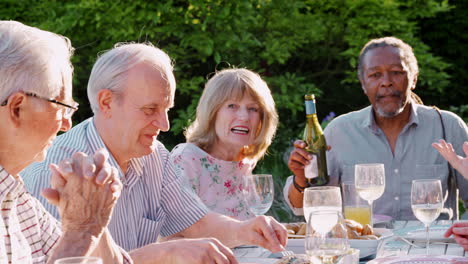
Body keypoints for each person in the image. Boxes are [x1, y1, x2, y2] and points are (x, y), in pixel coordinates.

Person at [21, 43, 287, 264]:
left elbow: (197, 223)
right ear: (106, 102)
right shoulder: (59, 172)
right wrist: (164, 253)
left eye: (167, 109)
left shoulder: (154, 155)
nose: (165, 124)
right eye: (150, 110)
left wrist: (246, 230)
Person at [284, 36, 468, 220]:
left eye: (396, 72)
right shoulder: (339, 131)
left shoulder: (448, 126)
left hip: (433, 246)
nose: (386, 82)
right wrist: (301, 178)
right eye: (375, 75)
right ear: (363, 84)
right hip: (364, 246)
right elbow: (303, 208)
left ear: (413, 79)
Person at [0, 21, 131, 263]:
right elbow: (77, 242)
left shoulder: (17, 200)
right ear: (18, 108)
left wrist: (92, 213)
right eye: (63, 107)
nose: (66, 125)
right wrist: (82, 232)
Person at [170, 68, 278, 220]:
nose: (244, 117)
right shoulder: (186, 159)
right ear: (212, 112)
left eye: (252, 108)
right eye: (232, 106)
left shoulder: (245, 163)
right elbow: (176, 229)